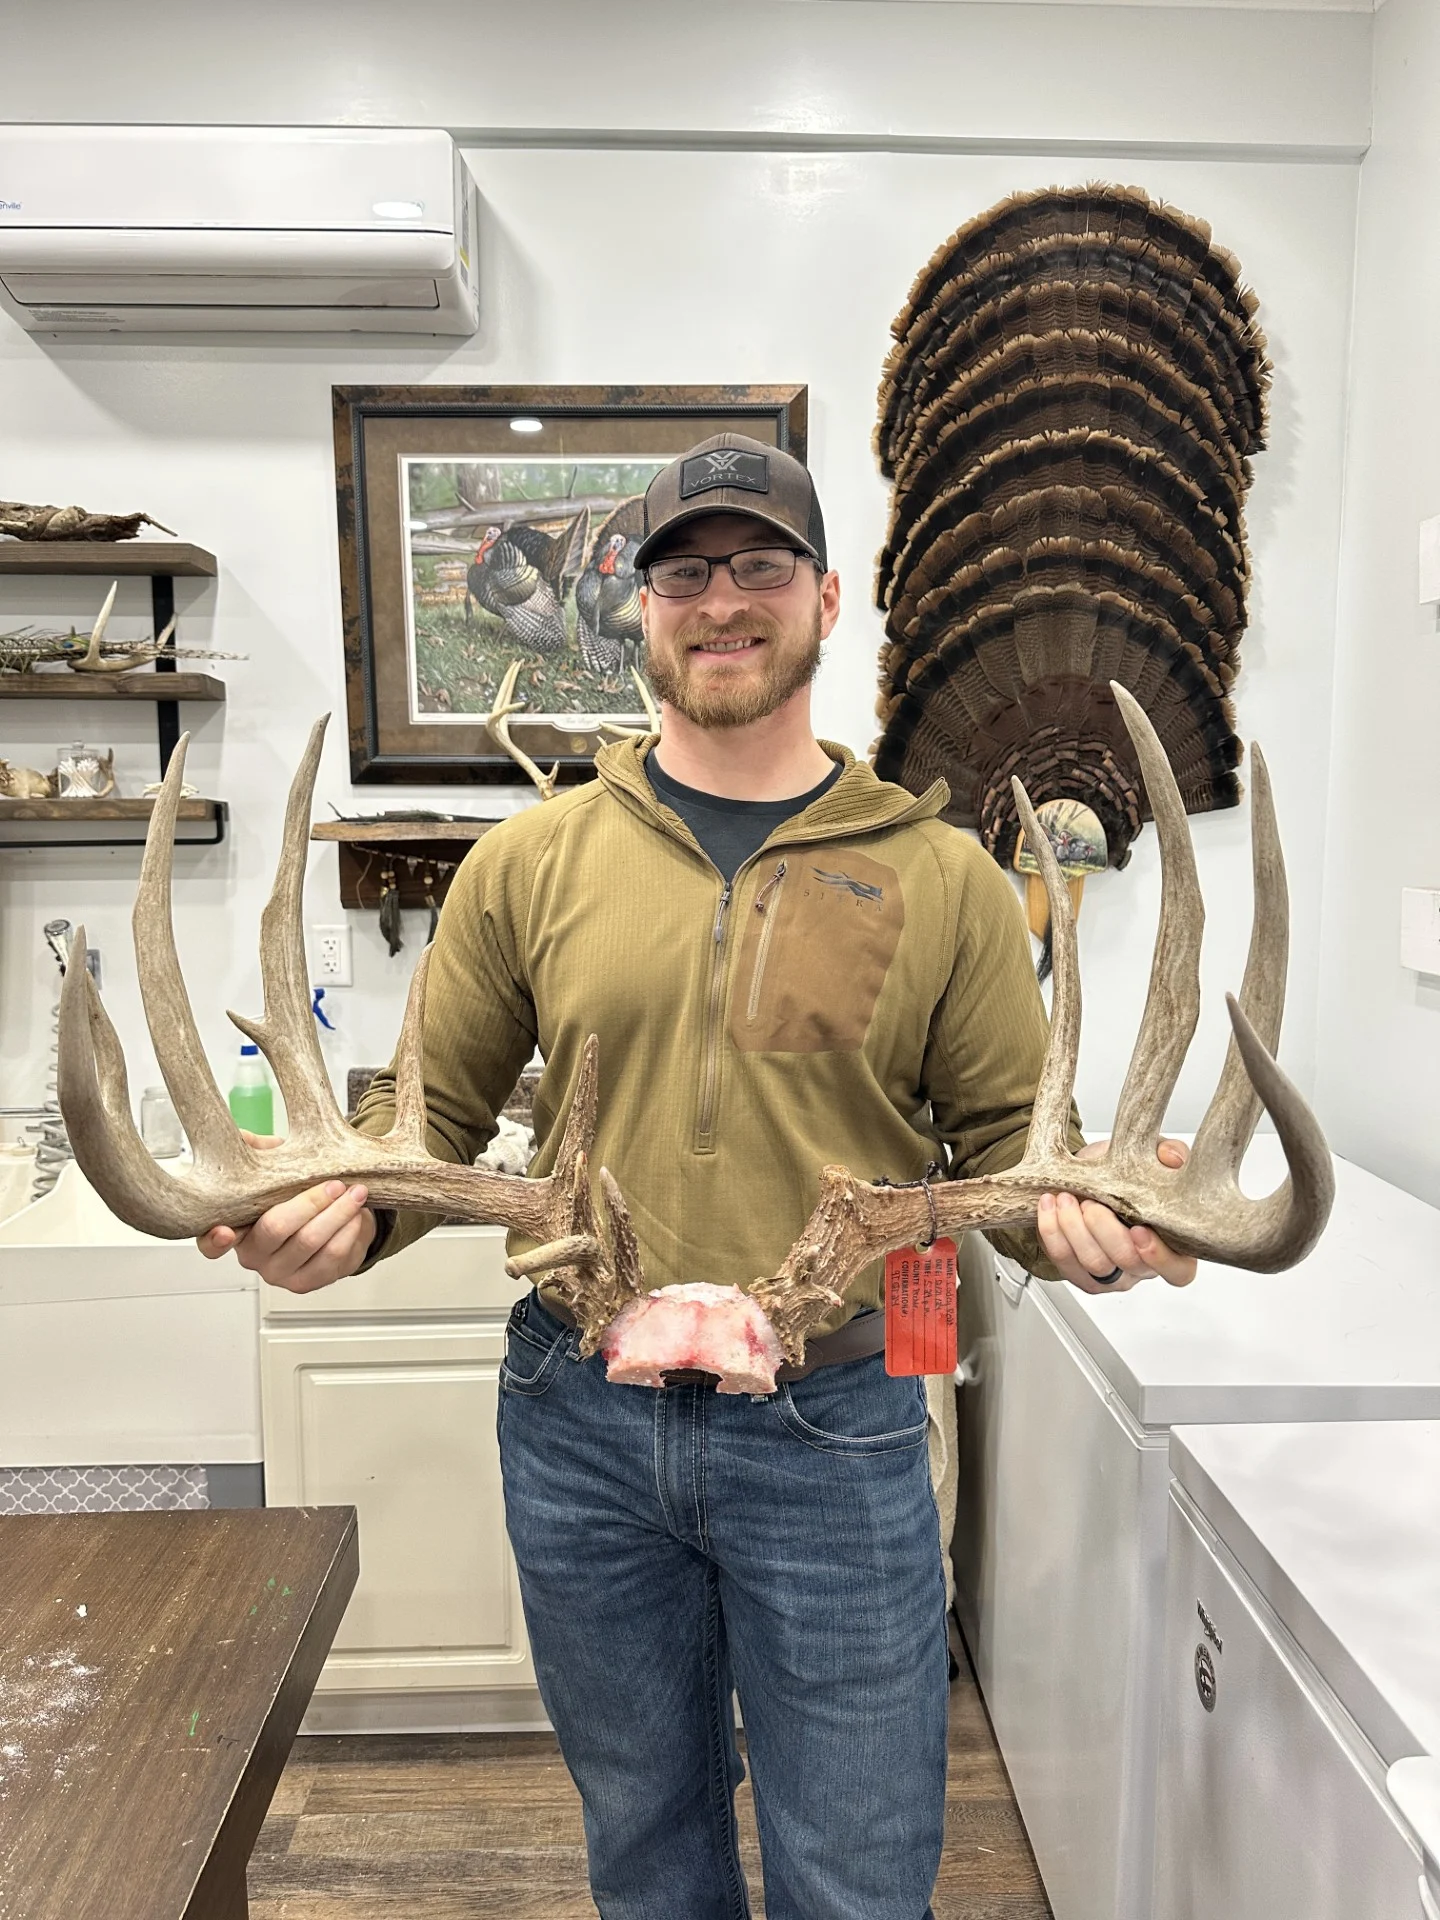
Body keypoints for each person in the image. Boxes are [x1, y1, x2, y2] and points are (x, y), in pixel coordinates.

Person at [198, 433, 1194, 1920]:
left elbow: (1000, 1148)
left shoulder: (943, 881)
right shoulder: (530, 866)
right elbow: (429, 1119)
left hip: (839, 1422)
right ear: (633, 605)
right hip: (578, 1423)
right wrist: (346, 1218)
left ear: (825, 597)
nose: (720, 600)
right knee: (648, 1853)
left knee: (857, 1872)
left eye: (759, 566)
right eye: (681, 571)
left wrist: (1089, 1226)